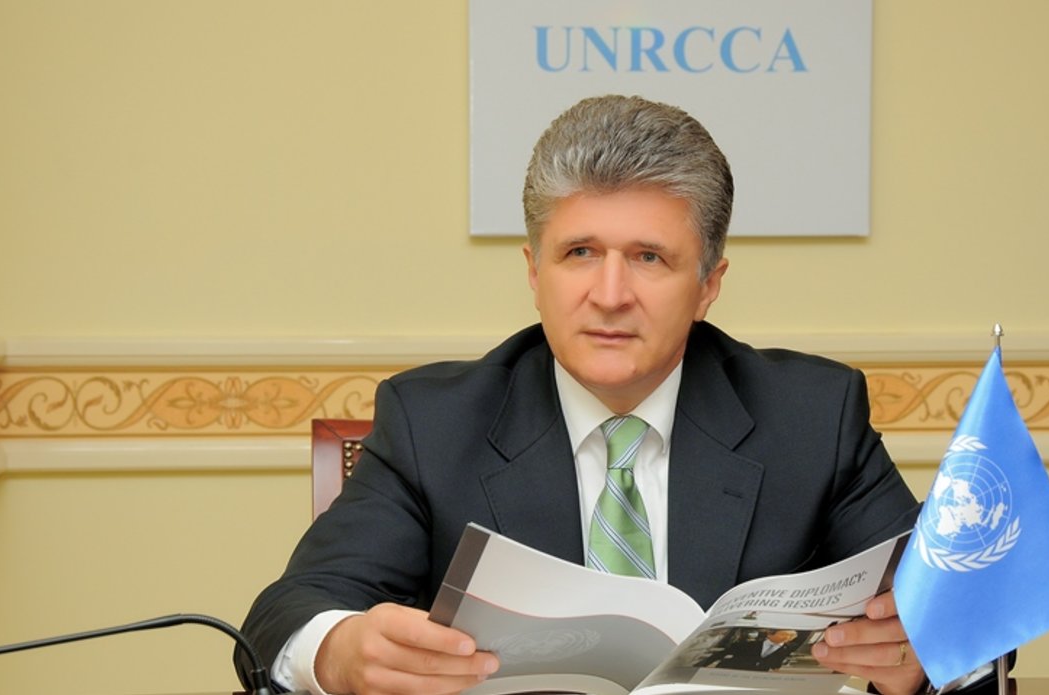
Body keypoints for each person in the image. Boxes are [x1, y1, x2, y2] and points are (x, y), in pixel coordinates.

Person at [237, 94, 947, 695]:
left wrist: (921, 657)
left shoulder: (812, 418)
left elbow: (948, 609)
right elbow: (289, 610)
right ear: (533, 272)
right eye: (579, 253)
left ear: (708, 285)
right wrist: (338, 651)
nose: (609, 295)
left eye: (649, 257)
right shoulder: (434, 423)